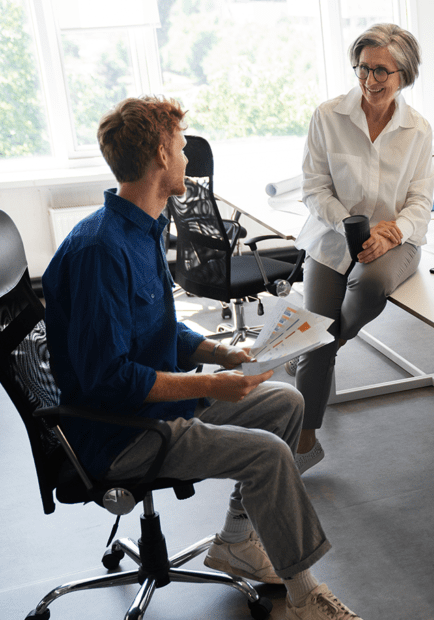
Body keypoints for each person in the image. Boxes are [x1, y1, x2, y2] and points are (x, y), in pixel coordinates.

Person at [42, 97, 360, 620]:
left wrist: (218, 353)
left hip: (154, 411)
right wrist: (208, 386)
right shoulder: (101, 251)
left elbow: (161, 327)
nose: (188, 158)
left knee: (286, 402)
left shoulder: (141, 227)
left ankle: (237, 539)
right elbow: (111, 380)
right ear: (162, 157)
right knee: (269, 455)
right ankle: (306, 597)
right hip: (124, 434)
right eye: (182, 147)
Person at [294, 23, 433, 472]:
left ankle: (317, 354)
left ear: (403, 75)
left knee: (367, 290)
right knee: (317, 327)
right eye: (363, 69)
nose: (370, 80)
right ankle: (304, 442)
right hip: (333, 240)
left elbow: (419, 200)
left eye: (381, 71)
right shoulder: (328, 116)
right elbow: (314, 188)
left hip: (396, 240)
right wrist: (347, 226)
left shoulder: (418, 130)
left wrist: (393, 232)